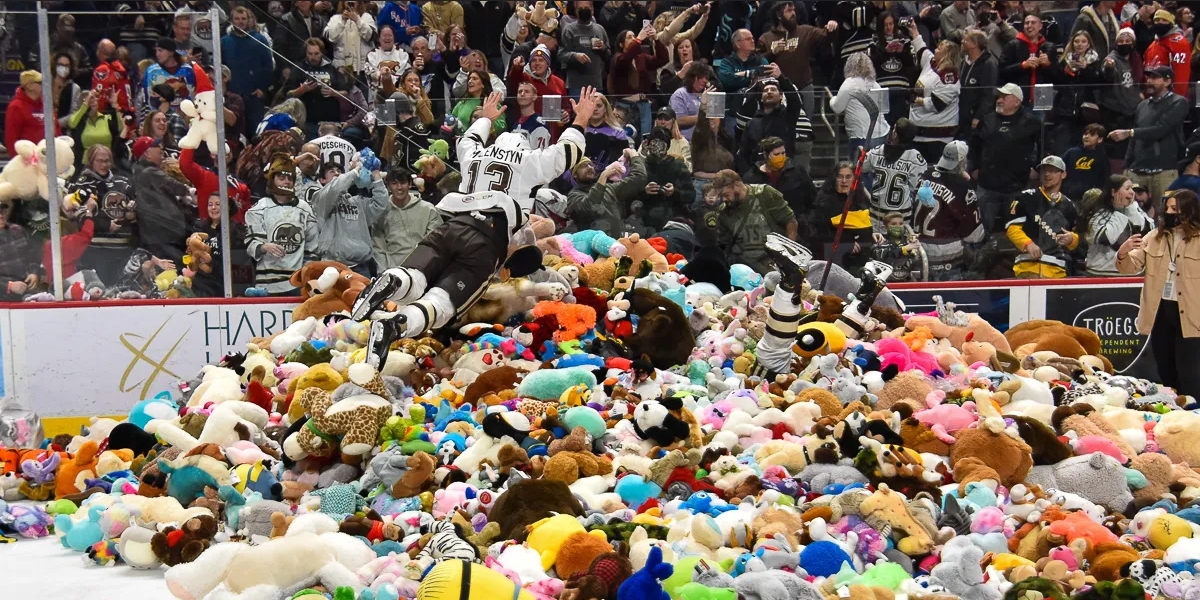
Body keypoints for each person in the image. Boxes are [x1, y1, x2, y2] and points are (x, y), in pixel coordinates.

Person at [351, 88, 599, 360]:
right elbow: (568, 152)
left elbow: (466, 140)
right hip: (488, 240)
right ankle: (394, 326)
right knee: (442, 302)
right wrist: (581, 119)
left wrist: (487, 119)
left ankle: (393, 279)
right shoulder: (530, 161)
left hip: (453, 224)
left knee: (415, 274)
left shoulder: (476, 156)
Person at [1117, 189, 1200, 399]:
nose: (1170, 213)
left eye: (1176, 209)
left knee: (1190, 372)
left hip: (1192, 314)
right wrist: (1123, 252)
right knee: (1165, 368)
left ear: (1189, 212)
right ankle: (1174, 412)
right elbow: (1130, 266)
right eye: (1168, 208)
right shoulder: (1155, 237)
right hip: (1161, 311)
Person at [1109, 65, 1189, 212]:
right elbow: (1134, 140)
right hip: (1137, 169)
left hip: (1164, 170)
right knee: (1130, 212)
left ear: (1167, 81)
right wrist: (1126, 166)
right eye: (1148, 77)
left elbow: (1161, 129)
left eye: (1154, 78)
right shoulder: (1142, 105)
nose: (1149, 81)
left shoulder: (1179, 102)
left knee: (1166, 213)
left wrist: (1129, 132)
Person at [244, 153, 320, 296]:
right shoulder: (259, 208)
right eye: (281, 178)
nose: (286, 182)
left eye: (290, 178)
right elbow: (251, 245)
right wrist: (264, 246)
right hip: (267, 285)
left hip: (296, 284)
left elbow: (312, 247)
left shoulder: (305, 208)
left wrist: (306, 274)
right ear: (272, 180)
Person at [971, 83, 1041, 233]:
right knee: (980, 231)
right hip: (987, 185)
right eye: (999, 96)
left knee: (1017, 230)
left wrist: (1036, 168)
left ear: (1017, 101)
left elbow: (1043, 146)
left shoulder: (1031, 122)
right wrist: (975, 167)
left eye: (1004, 97)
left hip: (1017, 186)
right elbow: (975, 145)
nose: (999, 100)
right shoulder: (987, 120)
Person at [702, 169, 798, 274]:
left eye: (726, 194)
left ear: (737, 185)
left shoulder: (765, 194)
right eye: (721, 196)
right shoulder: (723, 212)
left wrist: (789, 253)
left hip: (776, 262)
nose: (724, 199)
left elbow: (790, 221)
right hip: (746, 270)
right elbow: (724, 245)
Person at [68, 145, 136, 286]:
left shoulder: (122, 182)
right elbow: (77, 214)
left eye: (107, 161)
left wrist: (132, 214)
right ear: (91, 161)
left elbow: (135, 205)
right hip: (95, 250)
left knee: (122, 290)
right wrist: (105, 225)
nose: (104, 165)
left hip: (123, 249)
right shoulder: (81, 185)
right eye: (99, 161)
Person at [915, 140, 984, 281]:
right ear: (963, 161)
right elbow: (975, 236)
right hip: (947, 256)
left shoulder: (925, 173)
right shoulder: (962, 186)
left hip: (918, 249)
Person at [310, 159, 389, 278]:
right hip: (332, 267)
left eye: (339, 171)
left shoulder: (358, 201)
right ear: (322, 180)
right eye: (331, 171)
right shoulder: (320, 198)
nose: (337, 173)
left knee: (363, 297)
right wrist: (355, 170)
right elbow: (335, 188)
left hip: (361, 267)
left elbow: (382, 203)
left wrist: (376, 174)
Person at [1005, 155, 1081, 279]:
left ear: (1063, 175)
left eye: (1052, 171)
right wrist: (1028, 244)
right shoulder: (1026, 197)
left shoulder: (1070, 206)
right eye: (1044, 170)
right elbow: (1012, 228)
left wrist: (1072, 239)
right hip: (1027, 267)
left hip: (1057, 270)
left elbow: (1077, 237)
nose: (1047, 174)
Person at [760, 1, 836, 119]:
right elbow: (755, 61)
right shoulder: (766, 38)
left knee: (806, 124)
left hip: (804, 86)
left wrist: (832, 27)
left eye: (794, 10)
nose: (793, 13)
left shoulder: (805, 31)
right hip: (780, 90)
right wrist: (772, 53)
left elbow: (824, 36)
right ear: (779, 15)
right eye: (789, 11)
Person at [906, 17, 961, 165]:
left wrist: (916, 99)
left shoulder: (949, 76)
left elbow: (938, 104)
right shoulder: (932, 64)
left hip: (937, 139)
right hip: (919, 134)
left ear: (947, 55)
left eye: (939, 49)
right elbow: (921, 48)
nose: (935, 49)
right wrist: (914, 30)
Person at [131, 136, 192, 269]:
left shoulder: (140, 170)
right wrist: (190, 191)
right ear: (147, 153)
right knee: (171, 273)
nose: (161, 149)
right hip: (162, 234)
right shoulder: (149, 172)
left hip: (159, 234)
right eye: (156, 146)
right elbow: (175, 186)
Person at [370, 169, 442, 272]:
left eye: (403, 183)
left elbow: (435, 244)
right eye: (394, 183)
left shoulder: (428, 209)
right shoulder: (381, 213)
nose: (399, 187)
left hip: (424, 269)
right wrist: (386, 274)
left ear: (410, 184)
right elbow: (378, 249)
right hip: (394, 271)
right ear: (388, 186)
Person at [1081, 175, 1153, 276]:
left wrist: (1131, 210)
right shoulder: (1098, 213)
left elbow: (1149, 231)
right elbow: (1107, 238)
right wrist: (1120, 211)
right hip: (1102, 273)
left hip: (1132, 272)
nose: (1132, 192)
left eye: (1132, 188)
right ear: (1113, 192)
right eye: (1127, 188)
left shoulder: (1134, 209)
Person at [568, 148, 647, 238]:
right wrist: (603, 176)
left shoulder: (609, 188)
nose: (590, 167)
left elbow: (639, 178)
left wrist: (633, 155)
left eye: (591, 165)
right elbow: (589, 207)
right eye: (583, 166)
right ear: (574, 174)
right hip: (591, 247)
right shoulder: (573, 195)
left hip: (616, 244)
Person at [863, 118, 927, 228]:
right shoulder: (916, 158)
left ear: (894, 133)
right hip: (901, 219)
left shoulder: (877, 151)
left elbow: (860, 167)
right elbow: (916, 189)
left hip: (877, 218)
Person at [736, 76, 809, 172]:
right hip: (758, 173)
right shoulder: (752, 123)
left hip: (784, 172)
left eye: (773, 90)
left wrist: (781, 78)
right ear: (761, 98)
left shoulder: (788, 116)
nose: (769, 92)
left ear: (781, 96)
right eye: (765, 90)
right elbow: (744, 153)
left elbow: (794, 100)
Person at [829, 52, 890, 163]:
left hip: (861, 136)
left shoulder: (850, 83)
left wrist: (832, 99)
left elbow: (837, 108)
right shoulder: (875, 84)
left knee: (859, 173)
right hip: (881, 133)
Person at [742, 136, 817, 224]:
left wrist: (805, 219)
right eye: (776, 154)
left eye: (783, 153)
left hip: (796, 224)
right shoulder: (752, 177)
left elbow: (812, 198)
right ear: (766, 155)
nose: (781, 157)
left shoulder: (798, 172)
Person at [222, 6, 274, 129]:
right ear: (232, 21)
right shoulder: (224, 41)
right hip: (232, 97)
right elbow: (221, 68)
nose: (240, 21)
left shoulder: (260, 39)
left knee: (255, 131)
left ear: (248, 20)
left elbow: (268, 66)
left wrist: (262, 89)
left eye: (243, 18)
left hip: (254, 96)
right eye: (237, 18)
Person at [634, 127, 693, 234]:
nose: (657, 146)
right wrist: (644, 192)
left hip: (673, 220)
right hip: (645, 220)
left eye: (661, 142)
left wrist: (674, 192)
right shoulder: (641, 167)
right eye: (654, 142)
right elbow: (630, 196)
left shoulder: (678, 166)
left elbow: (690, 195)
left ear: (667, 145)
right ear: (648, 143)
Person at [284, 39, 346, 135]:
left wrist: (333, 92)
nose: (313, 57)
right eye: (310, 54)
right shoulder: (299, 68)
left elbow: (345, 92)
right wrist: (301, 90)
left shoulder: (331, 68)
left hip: (330, 120)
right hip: (307, 120)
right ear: (306, 53)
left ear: (322, 53)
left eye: (316, 54)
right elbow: (288, 94)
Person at [190, 192, 246, 298]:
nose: (213, 207)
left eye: (218, 204)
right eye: (210, 204)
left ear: (227, 207)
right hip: (202, 284)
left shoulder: (236, 230)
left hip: (226, 282)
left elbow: (239, 260)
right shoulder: (199, 227)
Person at [869, 10, 917, 125]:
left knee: (901, 124)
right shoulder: (874, 42)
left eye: (891, 24)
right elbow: (871, 64)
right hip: (882, 90)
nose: (888, 27)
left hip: (901, 89)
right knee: (883, 125)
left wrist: (902, 52)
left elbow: (912, 63)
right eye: (885, 25)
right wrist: (886, 52)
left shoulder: (905, 41)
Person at [1098, 28, 1142, 150]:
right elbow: (1107, 77)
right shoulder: (1111, 59)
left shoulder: (1135, 59)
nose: (1124, 43)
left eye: (1127, 40)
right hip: (1116, 112)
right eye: (1121, 41)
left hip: (1133, 110)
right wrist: (1109, 68)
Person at [1000, 13, 1057, 106]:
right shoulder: (1012, 45)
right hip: (1018, 99)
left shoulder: (1050, 48)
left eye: (1033, 23)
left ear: (1040, 26)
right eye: (1027, 23)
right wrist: (1022, 65)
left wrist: (1048, 65)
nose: (1029, 25)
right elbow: (1002, 71)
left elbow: (1057, 76)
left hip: (1043, 98)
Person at [559, 1, 610, 98]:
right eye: (581, 9)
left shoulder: (600, 30)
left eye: (586, 8)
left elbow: (608, 55)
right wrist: (574, 56)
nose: (584, 11)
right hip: (576, 85)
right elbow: (561, 55)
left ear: (593, 10)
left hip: (596, 84)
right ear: (576, 11)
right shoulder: (569, 30)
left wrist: (603, 48)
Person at [141, 38, 196, 123]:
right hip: (158, 120)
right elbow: (147, 100)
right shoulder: (151, 71)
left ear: (171, 52)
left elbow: (192, 96)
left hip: (184, 120)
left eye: (160, 50)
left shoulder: (187, 70)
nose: (157, 54)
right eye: (156, 51)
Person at [5, 71, 58, 151]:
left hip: (48, 158)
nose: (45, 86)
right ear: (30, 86)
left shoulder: (46, 104)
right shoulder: (16, 107)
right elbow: (11, 139)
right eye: (41, 83)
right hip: (28, 160)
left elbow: (56, 128)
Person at [959, 29, 997, 139]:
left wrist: (978, 116)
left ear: (975, 44)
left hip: (977, 119)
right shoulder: (963, 62)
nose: (962, 42)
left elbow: (988, 94)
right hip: (963, 116)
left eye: (966, 40)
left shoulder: (988, 64)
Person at [508, 44, 567, 115]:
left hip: (552, 124)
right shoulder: (523, 78)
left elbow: (566, 106)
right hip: (527, 124)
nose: (537, 63)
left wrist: (566, 115)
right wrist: (517, 67)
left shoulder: (559, 83)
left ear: (548, 64)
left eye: (541, 60)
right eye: (534, 60)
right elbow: (514, 77)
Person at [1143, 9, 1191, 96]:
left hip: (1170, 96)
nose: (1159, 22)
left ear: (1171, 23)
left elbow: (1181, 73)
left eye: (1164, 20)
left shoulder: (1179, 42)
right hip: (1154, 94)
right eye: (1156, 20)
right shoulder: (1153, 44)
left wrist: (1177, 97)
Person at [325, 1, 377, 81]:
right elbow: (330, 38)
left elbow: (371, 36)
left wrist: (358, 20)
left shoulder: (366, 17)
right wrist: (342, 21)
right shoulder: (335, 18)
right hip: (342, 68)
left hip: (364, 68)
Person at [0, 201, 41, 301]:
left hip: (28, 288)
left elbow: (33, 256)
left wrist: (34, 273)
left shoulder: (17, 230)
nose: (1, 216)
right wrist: (8, 286)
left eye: (1, 211)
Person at [1062, 123, 1112, 202]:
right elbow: (1060, 170)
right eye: (1085, 134)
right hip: (1069, 196)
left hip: (1090, 200)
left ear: (1100, 139)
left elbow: (1105, 180)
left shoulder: (1102, 157)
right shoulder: (1071, 152)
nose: (1086, 136)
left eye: (1092, 134)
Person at [715, 29, 775, 93]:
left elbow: (765, 79)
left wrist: (741, 74)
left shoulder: (761, 60)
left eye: (752, 38)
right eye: (748, 39)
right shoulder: (727, 62)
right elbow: (727, 81)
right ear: (738, 44)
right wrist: (752, 77)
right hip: (734, 100)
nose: (753, 41)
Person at [274, 0, 328, 66]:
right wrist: (284, 67)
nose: (303, 1)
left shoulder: (320, 20)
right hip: (295, 65)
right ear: (296, 3)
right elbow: (278, 47)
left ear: (311, 2)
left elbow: (325, 44)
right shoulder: (286, 20)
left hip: (316, 63)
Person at [669, 62, 710, 142]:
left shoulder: (707, 95)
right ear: (692, 77)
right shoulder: (680, 94)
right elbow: (679, 120)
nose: (705, 80)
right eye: (701, 77)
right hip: (684, 142)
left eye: (706, 77)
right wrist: (704, 117)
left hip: (704, 143)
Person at [51, 52, 83, 132]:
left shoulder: (75, 88)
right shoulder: (46, 85)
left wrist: (55, 123)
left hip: (64, 131)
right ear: (55, 66)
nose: (63, 68)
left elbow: (74, 114)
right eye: (60, 65)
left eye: (66, 65)